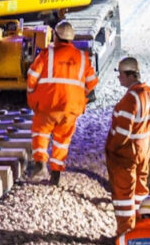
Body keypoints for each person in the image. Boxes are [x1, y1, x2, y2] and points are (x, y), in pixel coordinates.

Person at [23, 19, 97, 182]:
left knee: (41, 132)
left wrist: (32, 97)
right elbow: (91, 82)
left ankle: (40, 165)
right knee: (62, 140)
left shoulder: (46, 54)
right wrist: (79, 95)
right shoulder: (83, 58)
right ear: (71, 39)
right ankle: (56, 173)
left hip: (48, 105)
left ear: (55, 36)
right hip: (70, 108)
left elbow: (32, 77)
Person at [104, 55, 150, 233]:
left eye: (120, 74)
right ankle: (142, 228)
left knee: (124, 195)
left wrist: (111, 150)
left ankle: (125, 233)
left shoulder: (131, 99)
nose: (118, 77)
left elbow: (122, 132)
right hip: (144, 148)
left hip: (127, 151)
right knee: (140, 192)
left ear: (130, 75)